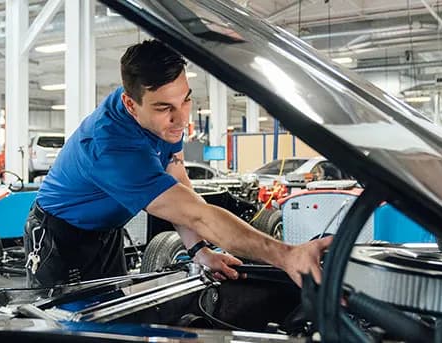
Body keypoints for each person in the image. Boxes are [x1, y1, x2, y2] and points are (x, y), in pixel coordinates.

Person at [24, 40, 332, 288]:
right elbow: (199, 216)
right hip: (59, 238)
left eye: (185, 99)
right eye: (165, 107)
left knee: (112, 319)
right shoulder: (111, 149)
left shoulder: (159, 118)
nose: (182, 118)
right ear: (131, 105)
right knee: (69, 326)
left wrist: (198, 250)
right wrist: (286, 255)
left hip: (105, 233)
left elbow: (178, 179)